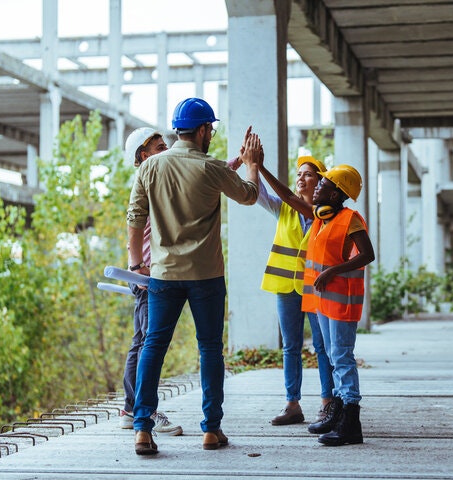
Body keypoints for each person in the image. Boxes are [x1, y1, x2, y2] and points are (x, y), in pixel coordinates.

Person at [126, 97, 261, 455]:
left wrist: (137, 263)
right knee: (210, 349)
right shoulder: (210, 167)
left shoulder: (150, 168)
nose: (211, 135)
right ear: (202, 130)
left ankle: (142, 428)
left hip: (163, 275)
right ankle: (211, 430)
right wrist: (252, 165)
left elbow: (135, 217)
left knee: (153, 346)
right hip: (206, 275)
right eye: (211, 129)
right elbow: (248, 196)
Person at [246, 155, 335, 426]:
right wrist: (251, 165)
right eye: (299, 174)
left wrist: (260, 165)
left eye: (308, 174)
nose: (300, 178)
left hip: (316, 289)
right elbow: (257, 193)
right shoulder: (283, 209)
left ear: (320, 182)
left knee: (322, 346)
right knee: (291, 347)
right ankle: (292, 404)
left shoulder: (325, 213)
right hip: (287, 287)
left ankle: (328, 402)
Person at [301, 164, 375, 446]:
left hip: (342, 300)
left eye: (324, 184)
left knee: (342, 357)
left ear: (335, 195)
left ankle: (351, 425)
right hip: (324, 301)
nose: (317, 186)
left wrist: (333, 271)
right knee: (334, 357)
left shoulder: (349, 219)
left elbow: (367, 254)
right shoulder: (323, 219)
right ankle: (338, 413)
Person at [118, 127, 182, 436]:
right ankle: (144, 410)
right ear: (145, 155)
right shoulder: (149, 182)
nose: (166, 150)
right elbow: (134, 226)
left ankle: (132, 408)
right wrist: (137, 267)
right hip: (145, 274)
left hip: (143, 271)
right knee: (147, 345)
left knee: (141, 342)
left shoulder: (152, 180)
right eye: (160, 147)